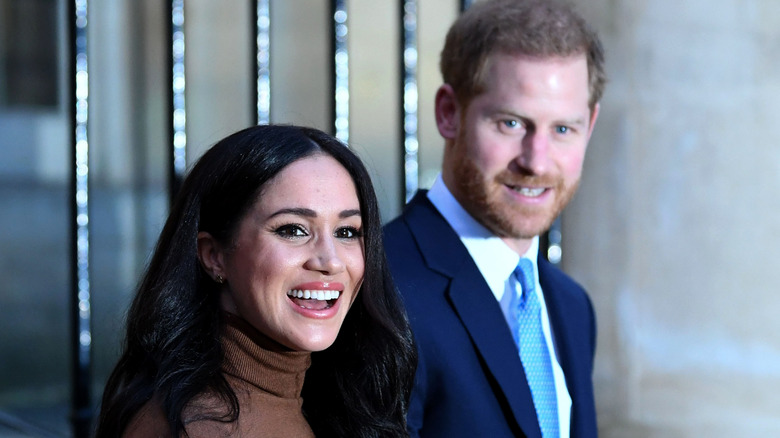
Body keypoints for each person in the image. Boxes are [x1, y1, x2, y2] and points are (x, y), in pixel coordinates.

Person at [95, 124, 417, 437]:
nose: (330, 261)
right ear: (213, 255)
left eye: (347, 232)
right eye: (292, 230)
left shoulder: (326, 398)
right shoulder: (199, 426)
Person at [383, 0, 606, 437]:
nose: (536, 162)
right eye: (511, 123)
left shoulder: (571, 306)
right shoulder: (381, 289)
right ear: (449, 112)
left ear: (590, 125)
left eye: (563, 129)